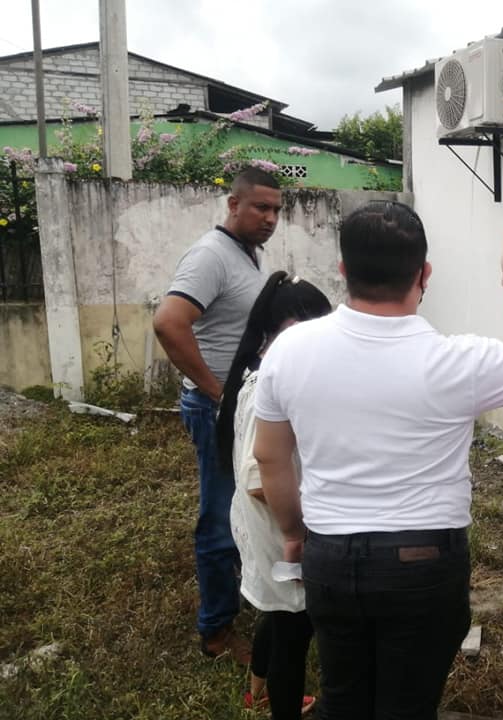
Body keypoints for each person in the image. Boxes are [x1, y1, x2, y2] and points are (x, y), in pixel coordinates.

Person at [253, 200, 503, 720]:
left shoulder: (289, 350)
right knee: (409, 706)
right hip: (424, 565)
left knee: (343, 699)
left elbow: (269, 456)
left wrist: (292, 532)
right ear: (424, 274)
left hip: (329, 556)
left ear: (343, 270)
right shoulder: (458, 360)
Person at [153, 167, 283, 663]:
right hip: (216, 410)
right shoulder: (211, 255)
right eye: (260, 208)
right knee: (220, 517)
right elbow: (169, 323)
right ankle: (216, 631)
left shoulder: (247, 254)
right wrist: (218, 393)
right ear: (233, 205)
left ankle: (241, 597)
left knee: (246, 506)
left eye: (276, 210)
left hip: (239, 406)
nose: (270, 218)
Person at [216, 271, 332, 718]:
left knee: (279, 611)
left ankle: (257, 690)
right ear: (288, 327)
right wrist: (301, 525)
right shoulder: (269, 383)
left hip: (269, 524)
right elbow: (258, 477)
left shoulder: (261, 371)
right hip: (278, 526)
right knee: (293, 630)